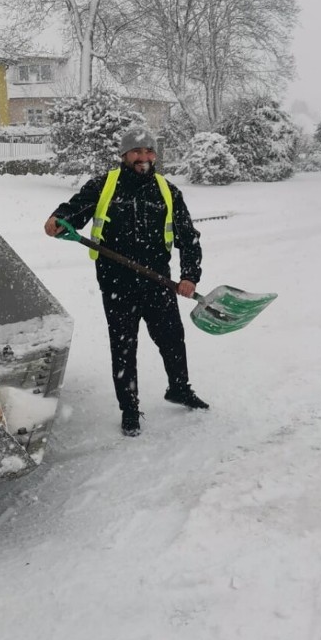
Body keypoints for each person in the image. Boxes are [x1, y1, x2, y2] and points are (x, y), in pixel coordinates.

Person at [44, 127, 208, 436]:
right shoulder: (104, 186)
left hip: (158, 282)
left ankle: (179, 387)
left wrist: (189, 276)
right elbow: (73, 211)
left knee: (172, 338)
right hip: (116, 284)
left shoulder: (167, 190)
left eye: (149, 152)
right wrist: (57, 218)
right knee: (123, 347)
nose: (144, 158)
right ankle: (129, 408)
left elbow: (188, 238)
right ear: (124, 155)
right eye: (137, 152)